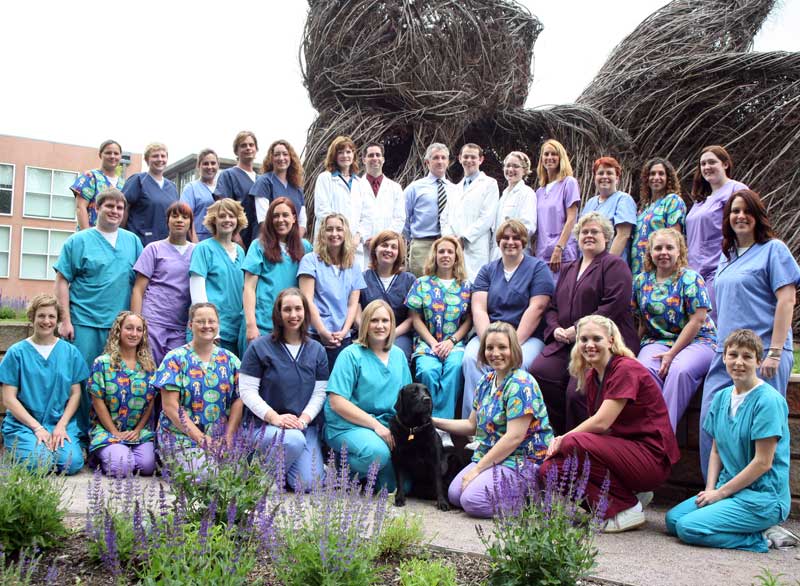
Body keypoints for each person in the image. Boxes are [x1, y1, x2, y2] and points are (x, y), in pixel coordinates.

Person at [540, 315, 680, 533]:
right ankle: (618, 503)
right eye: (583, 339)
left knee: (571, 443)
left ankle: (628, 506)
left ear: (611, 341)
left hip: (650, 457)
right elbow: (605, 429)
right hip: (623, 454)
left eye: (597, 338)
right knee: (550, 469)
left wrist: (562, 438)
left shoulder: (625, 368)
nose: (589, 345)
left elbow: (602, 422)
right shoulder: (593, 376)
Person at [699, 189, 800, 477]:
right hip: (726, 354)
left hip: (763, 354)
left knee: (761, 430)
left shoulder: (774, 250)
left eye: (747, 211)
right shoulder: (726, 255)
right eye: (734, 211)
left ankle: (761, 501)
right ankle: (714, 492)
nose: (740, 216)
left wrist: (775, 353)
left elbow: (787, 300)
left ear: (757, 216)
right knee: (712, 420)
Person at [666, 330, 792, 552]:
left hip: (762, 498)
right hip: (729, 490)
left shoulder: (768, 402)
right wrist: (710, 489)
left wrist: (720, 494)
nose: (738, 362)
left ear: (759, 361)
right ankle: (748, 527)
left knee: (689, 529)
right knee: (673, 520)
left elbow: (763, 462)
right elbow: (716, 450)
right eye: (733, 355)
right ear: (723, 358)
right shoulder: (722, 397)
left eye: (747, 356)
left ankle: (763, 538)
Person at [529, 212, 638, 435]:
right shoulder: (569, 268)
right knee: (539, 372)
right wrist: (556, 329)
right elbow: (553, 307)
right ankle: (555, 435)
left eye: (594, 231)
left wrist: (577, 329)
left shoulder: (615, 266)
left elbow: (613, 306)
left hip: (599, 343)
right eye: (584, 232)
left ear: (606, 237)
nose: (589, 235)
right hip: (566, 341)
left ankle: (579, 444)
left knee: (577, 391)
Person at [434, 321, 553, 518]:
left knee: (472, 501)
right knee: (455, 495)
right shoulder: (486, 381)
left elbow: (514, 438)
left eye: (502, 347)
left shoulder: (521, 384)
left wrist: (476, 470)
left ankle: (531, 501)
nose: (495, 353)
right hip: (494, 456)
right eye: (490, 347)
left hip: (521, 460)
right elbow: (472, 425)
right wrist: (434, 422)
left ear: (513, 349)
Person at [55, 188, 143, 436]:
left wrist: (136, 324)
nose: (115, 211)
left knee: (117, 384)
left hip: (120, 327)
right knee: (82, 381)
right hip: (85, 323)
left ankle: (113, 435)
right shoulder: (78, 241)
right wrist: (65, 320)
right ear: (96, 208)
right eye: (109, 206)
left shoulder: (132, 241)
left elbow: (139, 284)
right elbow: (62, 281)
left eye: (119, 208)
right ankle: (81, 434)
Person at [239, 288, 329, 491]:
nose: (293, 315)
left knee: (309, 483)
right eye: (287, 309)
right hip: (264, 427)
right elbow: (247, 391)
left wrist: (304, 419)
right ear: (278, 313)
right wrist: (275, 418)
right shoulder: (259, 347)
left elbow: (319, 392)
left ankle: (282, 466)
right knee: (293, 440)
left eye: (298, 309)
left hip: (302, 427)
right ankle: (263, 479)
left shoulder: (317, 350)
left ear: (306, 311)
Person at [462, 220, 554, 417]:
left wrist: (510, 344)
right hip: (489, 333)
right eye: (505, 238)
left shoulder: (538, 268)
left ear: (524, 242)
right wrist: (490, 342)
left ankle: (510, 421)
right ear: (498, 241)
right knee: (471, 359)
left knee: (520, 362)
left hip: (526, 336)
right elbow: (479, 308)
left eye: (516, 238)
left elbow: (537, 308)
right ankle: (476, 424)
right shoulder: (487, 271)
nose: (510, 242)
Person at [323, 300, 413, 491]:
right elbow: (336, 402)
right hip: (348, 425)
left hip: (385, 427)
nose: (380, 326)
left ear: (392, 324)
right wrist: (376, 426)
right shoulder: (350, 355)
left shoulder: (398, 355)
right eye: (374, 320)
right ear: (365, 324)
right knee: (377, 455)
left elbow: (406, 398)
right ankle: (340, 466)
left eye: (385, 321)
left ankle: (362, 474)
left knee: (398, 488)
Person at [632, 228, 716, 430]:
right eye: (658, 248)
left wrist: (672, 354)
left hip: (699, 340)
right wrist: (632, 351)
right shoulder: (641, 281)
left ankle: (662, 436)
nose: (664, 252)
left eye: (670, 247)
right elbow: (643, 322)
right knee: (642, 370)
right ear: (650, 252)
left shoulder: (691, 279)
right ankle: (644, 431)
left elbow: (696, 321)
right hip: (657, 341)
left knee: (679, 370)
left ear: (679, 251)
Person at [0, 295, 87, 475]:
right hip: (24, 424)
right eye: (41, 316)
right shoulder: (17, 353)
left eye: (51, 316)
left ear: (57, 320)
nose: (46, 321)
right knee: (38, 464)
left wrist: (62, 425)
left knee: (72, 463)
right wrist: (37, 427)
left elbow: (75, 393)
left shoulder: (70, 352)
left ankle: (47, 449)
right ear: (32, 317)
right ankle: (25, 449)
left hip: (58, 422)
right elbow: (8, 399)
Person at [154, 303, 243, 470]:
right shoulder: (175, 359)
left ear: (218, 325)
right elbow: (170, 407)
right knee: (207, 475)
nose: (207, 326)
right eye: (200, 321)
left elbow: (238, 400)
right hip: (182, 438)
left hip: (220, 439)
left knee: (239, 475)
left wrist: (228, 437)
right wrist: (201, 439)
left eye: (211, 321)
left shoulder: (231, 360)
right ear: (190, 325)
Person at [405, 236, 473, 422]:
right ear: (434, 255)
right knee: (427, 370)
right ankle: (429, 422)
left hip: (455, 343)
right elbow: (415, 317)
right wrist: (434, 343)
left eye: (450, 252)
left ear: (457, 257)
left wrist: (451, 342)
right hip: (427, 343)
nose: (445, 255)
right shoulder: (422, 283)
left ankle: (445, 425)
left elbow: (469, 320)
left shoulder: (466, 286)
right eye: (441, 251)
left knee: (455, 368)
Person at [88, 311, 157, 477]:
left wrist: (139, 430)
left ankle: (123, 453)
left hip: (137, 433)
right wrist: (115, 433)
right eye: (129, 328)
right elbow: (97, 402)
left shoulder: (148, 366)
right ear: (118, 331)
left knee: (147, 466)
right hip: (107, 430)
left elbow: (151, 402)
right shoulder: (102, 363)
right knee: (123, 467)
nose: (134, 333)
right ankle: (105, 454)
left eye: (139, 330)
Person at [685, 145, 749, 318]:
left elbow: (747, 226)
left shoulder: (736, 190)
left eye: (712, 162)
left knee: (713, 320)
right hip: (695, 271)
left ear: (725, 164)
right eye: (703, 164)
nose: (707, 167)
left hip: (719, 267)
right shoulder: (701, 200)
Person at [242, 197, 312, 349]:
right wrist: (251, 324)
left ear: (294, 218)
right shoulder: (259, 246)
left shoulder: (305, 247)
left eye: (285, 215)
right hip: (262, 324)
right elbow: (249, 288)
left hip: (292, 327)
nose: (280, 220)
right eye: (276, 216)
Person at [131, 201, 195, 366]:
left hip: (181, 325)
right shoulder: (154, 249)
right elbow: (138, 289)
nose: (179, 220)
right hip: (153, 320)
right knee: (148, 367)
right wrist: (136, 323)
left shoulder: (197, 251)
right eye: (175, 216)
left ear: (190, 223)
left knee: (174, 371)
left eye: (185, 217)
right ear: (167, 221)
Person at [298, 213, 366, 368]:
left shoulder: (353, 265)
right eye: (329, 229)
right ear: (322, 233)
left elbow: (352, 304)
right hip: (314, 335)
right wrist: (322, 331)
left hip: (342, 338)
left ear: (345, 233)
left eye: (339, 229)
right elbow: (307, 300)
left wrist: (344, 332)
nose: (334, 234)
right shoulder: (311, 261)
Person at [189, 198, 247, 357]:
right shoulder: (203, 249)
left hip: (236, 329)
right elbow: (197, 290)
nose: (227, 220)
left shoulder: (240, 252)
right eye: (222, 216)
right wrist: (209, 327)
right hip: (210, 331)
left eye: (231, 216)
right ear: (214, 220)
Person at [312, 136, 373, 266]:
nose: (345, 155)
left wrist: (357, 237)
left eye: (348, 152)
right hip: (330, 242)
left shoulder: (361, 184)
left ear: (353, 155)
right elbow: (322, 210)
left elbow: (367, 215)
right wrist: (340, 234)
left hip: (354, 247)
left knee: (353, 283)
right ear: (334, 155)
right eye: (340, 152)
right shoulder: (325, 178)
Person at [444, 143, 499, 281]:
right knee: (455, 287)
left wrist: (464, 238)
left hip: (476, 245)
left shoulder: (489, 184)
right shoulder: (454, 189)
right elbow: (445, 218)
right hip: (454, 246)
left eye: (473, 157)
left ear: (481, 160)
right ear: (460, 158)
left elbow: (487, 217)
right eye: (466, 157)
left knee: (476, 286)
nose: (469, 160)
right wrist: (450, 239)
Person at [359, 230, 416, 359]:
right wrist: (369, 332)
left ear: (399, 253)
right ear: (375, 249)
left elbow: (412, 318)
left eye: (393, 247)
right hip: (367, 333)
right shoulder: (362, 278)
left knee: (396, 354)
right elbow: (357, 315)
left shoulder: (409, 280)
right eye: (384, 245)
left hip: (399, 335)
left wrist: (391, 333)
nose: (389, 250)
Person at [403, 143, 455, 276]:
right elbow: (403, 218)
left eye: (443, 158)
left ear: (448, 161)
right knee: (422, 286)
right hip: (422, 245)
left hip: (447, 246)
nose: (440, 161)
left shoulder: (455, 189)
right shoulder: (414, 188)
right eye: (436, 158)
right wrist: (415, 238)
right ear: (427, 162)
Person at [630, 158, 686, 276]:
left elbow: (675, 238)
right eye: (652, 174)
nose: (656, 177)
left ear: (668, 178)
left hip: (661, 266)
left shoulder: (672, 201)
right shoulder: (644, 208)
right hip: (639, 269)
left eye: (661, 174)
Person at [534, 139, 580, 279]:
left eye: (554, 154)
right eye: (546, 154)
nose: (549, 158)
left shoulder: (568, 183)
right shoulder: (539, 192)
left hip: (562, 254)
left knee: (563, 295)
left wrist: (559, 248)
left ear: (561, 158)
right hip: (543, 254)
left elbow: (572, 218)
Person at [581, 156, 637, 265]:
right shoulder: (590, 203)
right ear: (595, 177)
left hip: (611, 268)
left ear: (617, 178)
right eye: (600, 173)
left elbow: (623, 235)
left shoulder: (623, 199)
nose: (605, 176)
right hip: (588, 266)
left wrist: (605, 266)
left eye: (609, 173)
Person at [122, 142, 179, 246]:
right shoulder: (138, 180)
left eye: (163, 156)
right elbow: (123, 209)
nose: (160, 159)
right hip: (140, 242)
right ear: (147, 159)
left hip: (167, 243)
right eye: (155, 156)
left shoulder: (172, 187)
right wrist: (120, 236)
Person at [249, 139, 308, 238]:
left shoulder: (297, 188)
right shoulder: (264, 182)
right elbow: (263, 220)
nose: (281, 158)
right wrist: (280, 244)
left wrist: (295, 242)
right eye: (277, 155)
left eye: (285, 154)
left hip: (292, 245)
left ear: (291, 158)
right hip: (268, 242)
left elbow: (302, 222)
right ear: (271, 159)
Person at [215, 131, 259, 249]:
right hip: (235, 242)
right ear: (236, 151)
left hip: (258, 241)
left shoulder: (261, 179)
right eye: (243, 145)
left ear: (256, 149)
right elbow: (223, 208)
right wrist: (236, 238)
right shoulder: (228, 175)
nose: (248, 148)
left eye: (251, 145)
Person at [71, 139, 126, 230]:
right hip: (91, 235)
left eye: (116, 153)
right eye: (108, 153)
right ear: (100, 155)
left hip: (113, 237)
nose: (112, 156)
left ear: (120, 156)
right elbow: (80, 207)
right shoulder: (90, 177)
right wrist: (88, 236)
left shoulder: (123, 184)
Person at [492, 151, 536, 261]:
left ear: (524, 170)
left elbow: (528, 226)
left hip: (517, 253)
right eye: (508, 166)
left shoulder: (527, 193)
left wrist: (510, 241)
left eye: (516, 166)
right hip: (499, 254)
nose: (511, 170)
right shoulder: (504, 195)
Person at [361, 143, 405, 250]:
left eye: (378, 155)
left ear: (383, 159)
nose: (375, 158)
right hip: (362, 247)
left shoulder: (395, 188)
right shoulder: (355, 187)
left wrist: (382, 240)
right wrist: (363, 238)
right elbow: (352, 217)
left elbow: (399, 218)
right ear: (364, 160)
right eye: (371, 155)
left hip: (387, 246)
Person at [180, 149, 218, 241]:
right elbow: (185, 216)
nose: (210, 167)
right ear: (198, 166)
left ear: (218, 165)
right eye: (205, 163)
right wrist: (195, 242)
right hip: (200, 240)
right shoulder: (191, 188)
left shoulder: (222, 188)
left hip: (220, 241)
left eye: (213, 163)